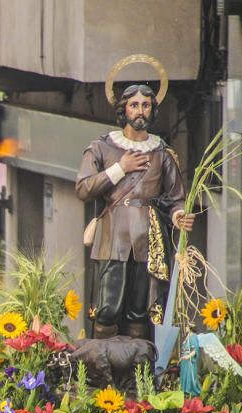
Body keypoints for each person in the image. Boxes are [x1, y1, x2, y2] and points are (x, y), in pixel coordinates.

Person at [75, 82, 194, 340]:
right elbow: (84, 188)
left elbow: (176, 197)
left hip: (148, 238)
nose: (140, 111)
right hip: (112, 235)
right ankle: (102, 363)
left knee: (140, 310)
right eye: (134, 105)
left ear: (152, 110)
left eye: (146, 105)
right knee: (108, 307)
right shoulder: (102, 147)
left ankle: (136, 370)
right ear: (123, 110)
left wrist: (177, 215)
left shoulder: (162, 153)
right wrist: (120, 168)